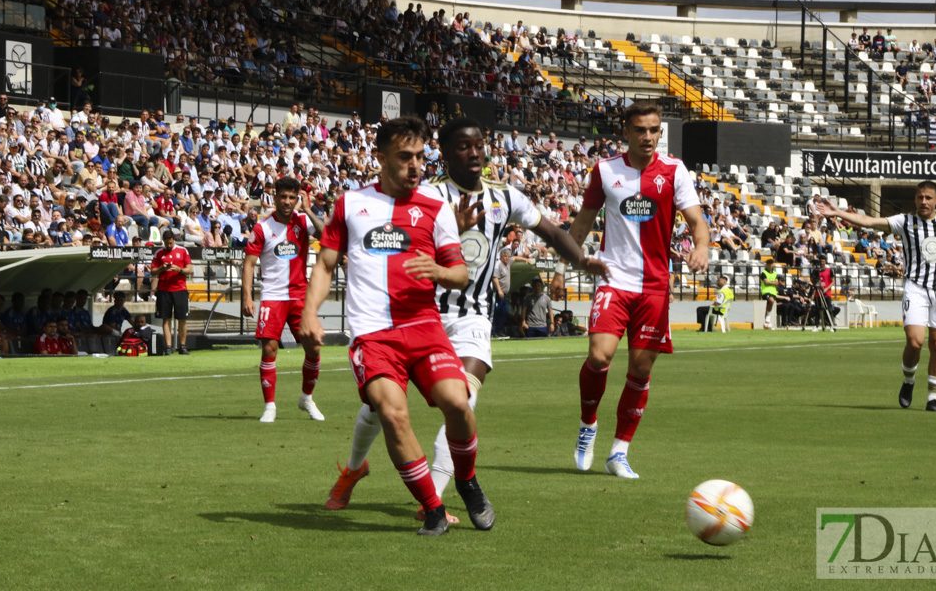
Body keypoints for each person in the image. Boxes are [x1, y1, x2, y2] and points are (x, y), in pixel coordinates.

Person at [323, 117, 605, 523]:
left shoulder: (504, 196)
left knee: (460, 401)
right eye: (462, 147)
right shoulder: (427, 194)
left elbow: (550, 230)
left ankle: (434, 495)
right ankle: (353, 468)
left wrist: (578, 261)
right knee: (377, 409)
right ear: (444, 151)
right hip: (420, 314)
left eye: (479, 145)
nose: (473, 153)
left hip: (473, 316)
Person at [300, 116, 492, 536]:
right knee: (391, 412)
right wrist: (309, 312)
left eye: (421, 157)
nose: (416, 166)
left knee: (458, 404)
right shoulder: (350, 204)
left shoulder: (436, 209)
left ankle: (467, 479)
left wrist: (439, 271)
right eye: (405, 157)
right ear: (381, 157)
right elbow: (326, 263)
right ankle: (432, 508)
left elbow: (460, 274)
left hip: (425, 328)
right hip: (373, 334)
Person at [567, 101, 709, 478]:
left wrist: (702, 247)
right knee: (599, 357)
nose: (648, 137)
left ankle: (619, 452)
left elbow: (697, 221)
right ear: (626, 132)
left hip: (654, 287)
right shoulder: (605, 170)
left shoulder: (675, 171)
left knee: (640, 371)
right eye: (641, 130)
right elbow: (582, 223)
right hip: (614, 279)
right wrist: (569, 262)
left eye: (654, 130)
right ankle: (588, 425)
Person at [818, 182, 936, 412]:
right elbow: (870, 221)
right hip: (916, 288)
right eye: (919, 197)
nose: (923, 201)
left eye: (927, 197)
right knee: (915, 341)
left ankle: (933, 399)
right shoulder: (905, 222)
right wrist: (838, 213)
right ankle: (908, 381)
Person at [242, 176, 327, 423]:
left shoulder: (303, 221)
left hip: (301, 295)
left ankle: (306, 399)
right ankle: (270, 406)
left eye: (292, 197)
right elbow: (249, 264)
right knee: (269, 349)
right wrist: (247, 296)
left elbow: (326, 234)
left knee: (313, 346)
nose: (288, 202)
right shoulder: (263, 227)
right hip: (273, 296)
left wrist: (309, 209)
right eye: (283, 197)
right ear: (275, 197)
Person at [150, 229, 193, 354]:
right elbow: (152, 271)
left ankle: (182, 346)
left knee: (182, 319)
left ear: (174, 240)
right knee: (166, 318)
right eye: (166, 243)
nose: (168, 246)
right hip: (164, 290)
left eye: (170, 243)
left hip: (180, 289)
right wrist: (161, 268)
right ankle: (168, 347)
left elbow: (190, 269)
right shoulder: (159, 253)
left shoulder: (182, 250)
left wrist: (179, 270)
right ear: (163, 241)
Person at [760, 258, 781, 329]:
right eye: (769, 264)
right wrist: (773, 283)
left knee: (770, 303)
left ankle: (766, 322)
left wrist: (770, 282)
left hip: (773, 292)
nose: (771, 265)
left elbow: (777, 283)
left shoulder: (775, 273)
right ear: (767, 265)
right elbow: (766, 282)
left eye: (772, 264)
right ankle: (768, 317)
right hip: (765, 291)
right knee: (771, 301)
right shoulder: (763, 273)